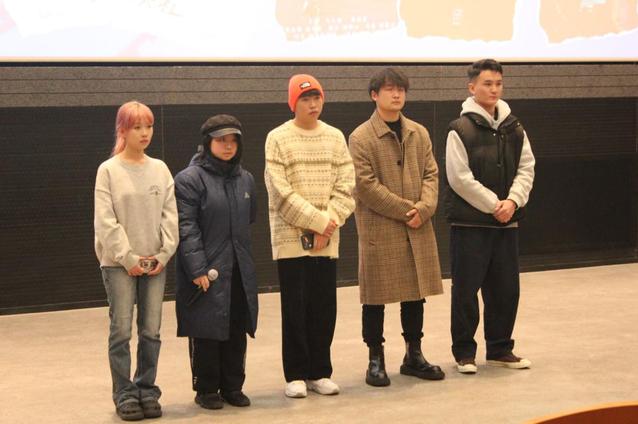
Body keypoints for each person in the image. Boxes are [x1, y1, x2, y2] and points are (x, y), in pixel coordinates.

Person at [348, 68, 445, 387]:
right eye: (389, 89)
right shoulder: (361, 136)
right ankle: (375, 358)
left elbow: (431, 173)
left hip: (417, 224)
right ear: (374, 95)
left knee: (415, 294)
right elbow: (365, 185)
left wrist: (425, 207)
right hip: (381, 227)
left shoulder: (419, 132)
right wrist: (407, 210)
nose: (396, 94)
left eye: (400, 89)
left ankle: (413, 354)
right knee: (374, 298)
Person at [264, 74, 355, 398]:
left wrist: (328, 224)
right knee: (295, 307)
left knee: (323, 307)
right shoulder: (277, 138)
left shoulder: (335, 137)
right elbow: (280, 192)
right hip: (292, 237)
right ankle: (296, 374)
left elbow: (346, 186)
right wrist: (316, 223)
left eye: (317, 98)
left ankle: (319, 372)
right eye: (305, 99)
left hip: (327, 238)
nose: (313, 104)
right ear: (293, 103)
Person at [444, 58, 535, 374]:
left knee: (505, 289)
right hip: (470, 224)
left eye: (498, 83)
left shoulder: (515, 127)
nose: (494, 89)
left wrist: (513, 202)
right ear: (472, 87)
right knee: (466, 291)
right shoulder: (459, 129)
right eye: (487, 84)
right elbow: (459, 177)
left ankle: (500, 349)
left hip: (507, 222)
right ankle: (464, 353)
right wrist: (495, 204)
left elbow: (526, 167)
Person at [94, 100, 178, 421]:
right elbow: (105, 222)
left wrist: (163, 254)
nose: (145, 133)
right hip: (119, 265)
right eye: (137, 127)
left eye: (149, 126)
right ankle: (124, 393)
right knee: (121, 331)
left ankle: (146, 389)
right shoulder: (109, 170)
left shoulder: (160, 169)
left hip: (156, 263)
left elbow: (170, 216)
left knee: (151, 331)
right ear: (123, 130)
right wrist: (127, 257)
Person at [173, 114, 258, 410]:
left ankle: (233, 386)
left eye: (233, 140)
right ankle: (207, 389)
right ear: (207, 142)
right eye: (221, 140)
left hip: (238, 268)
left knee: (236, 326)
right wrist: (197, 268)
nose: (228, 145)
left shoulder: (246, 179)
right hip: (206, 271)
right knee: (206, 329)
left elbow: (250, 218)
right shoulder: (189, 179)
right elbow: (186, 227)